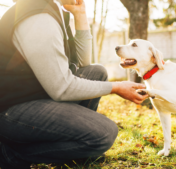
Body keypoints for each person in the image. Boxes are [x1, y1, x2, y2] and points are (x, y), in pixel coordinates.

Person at [0, 0, 148, 168]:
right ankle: (10, 155)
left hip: (35, 95)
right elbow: (61, 88)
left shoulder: (55, 9)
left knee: (96, 72)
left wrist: (80, 16)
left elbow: (84, 64)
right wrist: (116, 87)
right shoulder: (39, 16)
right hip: (10, 111)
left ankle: (75, 151)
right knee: (104, 133)